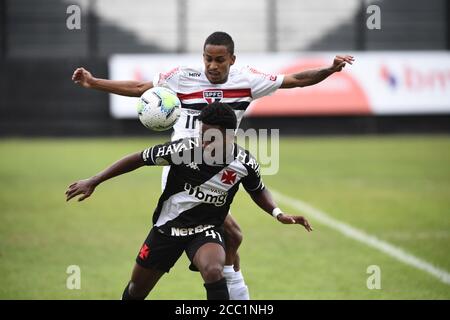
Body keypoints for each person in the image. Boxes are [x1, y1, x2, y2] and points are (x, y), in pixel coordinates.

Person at [72, 31, 352, 299]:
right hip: (182, 166)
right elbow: (139, 88)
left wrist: (329, 69)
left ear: (232, 59)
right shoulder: (182, 77)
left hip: (220, 164)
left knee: (231, 239)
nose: (212, 65)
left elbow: (296, 79)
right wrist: (93, 82)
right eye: (207, 58)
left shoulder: (247, 81)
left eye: (219, 60)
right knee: (229, 234)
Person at [65, 102, 313, 300]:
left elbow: (257, 190)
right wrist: (94, 180)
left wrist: (278, 213)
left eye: (211, 137)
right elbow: (138, 158)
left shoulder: (244, 163)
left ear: (230, 135)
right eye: (202, 134)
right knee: (136, 291)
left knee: (214, 270)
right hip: (166, 230)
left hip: (205, 230)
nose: (204, 141)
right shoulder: (183, 150)